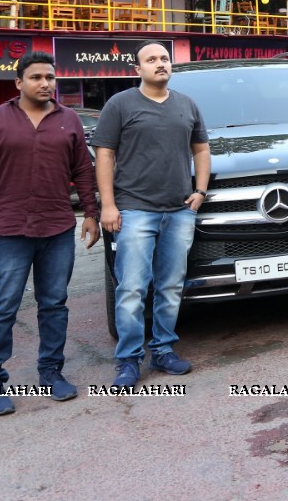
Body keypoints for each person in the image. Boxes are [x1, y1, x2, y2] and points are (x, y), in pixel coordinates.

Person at [0, 51, 100, 415]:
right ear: (19, 82)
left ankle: (51, 372)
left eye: (50, 77)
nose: (45, 84)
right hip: (9, 230)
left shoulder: (67, 119)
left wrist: (91, 213)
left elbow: (83, 172)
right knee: (1, 307)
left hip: (57, 228)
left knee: (53, 304)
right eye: (37, 77)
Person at [93, 40, 210, 388]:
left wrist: (200, 190)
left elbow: (201, 149)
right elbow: (104, 156)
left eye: (164, 58)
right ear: (137, 69)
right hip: (133, 211)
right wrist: (108, 205)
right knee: (131, 289)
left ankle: (163, 349)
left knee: (171, 286)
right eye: (151, 60)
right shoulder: (120, 105)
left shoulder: (186, 105)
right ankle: (128, 360)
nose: (160, 64)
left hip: (179, 211)